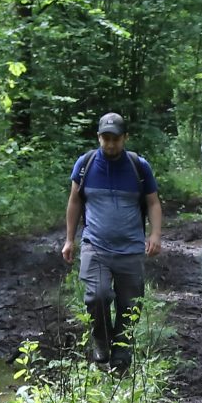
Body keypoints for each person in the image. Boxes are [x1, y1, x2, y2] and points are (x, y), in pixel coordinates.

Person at [61, 112, 162, 365]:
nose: (110, 144)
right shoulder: (85, 164)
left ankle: (122, 350)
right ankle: (102, 340)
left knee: (130, 304)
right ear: (98, 137)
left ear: (125, 138)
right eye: (105, 138)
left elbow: (153, 202)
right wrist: (69, 239)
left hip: (131, 248)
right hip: (95, 245)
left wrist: (155, 234)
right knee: (98, 296)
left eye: (115, 139)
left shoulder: (139, 166)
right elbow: (74, 201)